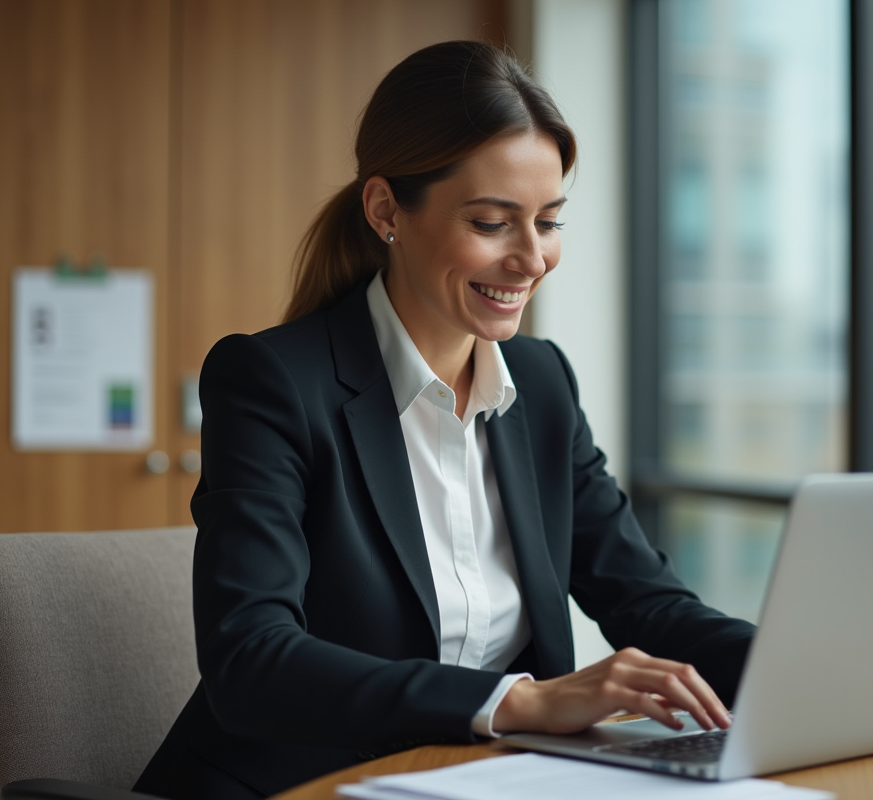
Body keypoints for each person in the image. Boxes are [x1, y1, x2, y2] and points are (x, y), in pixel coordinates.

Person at [135, 40, 755, 800]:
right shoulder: (273, 383)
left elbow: (646, 603)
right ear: (386, 209)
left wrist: (809, 671)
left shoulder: (541, 381)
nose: (532, 259)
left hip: (474, 784)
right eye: (494, 223)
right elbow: (252, 663)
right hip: (299, 785)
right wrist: (520, 702)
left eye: (550, 221)